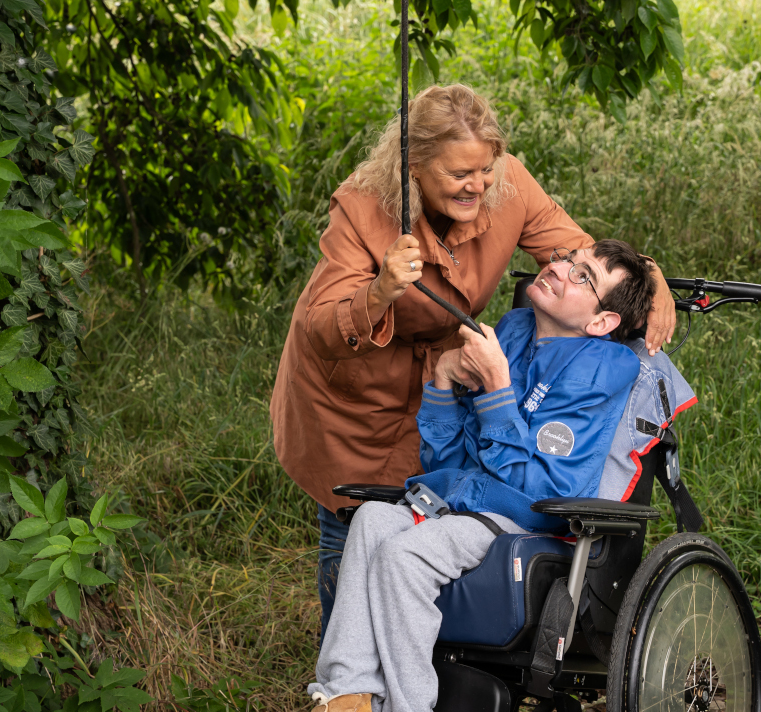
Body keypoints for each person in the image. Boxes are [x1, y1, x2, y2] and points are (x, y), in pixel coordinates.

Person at [269, 85, 676, 637]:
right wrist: (379, 291)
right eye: (461, 173)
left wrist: (651, 277)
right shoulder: (363, 208)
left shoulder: (503, 183)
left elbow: (582, 257)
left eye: (486, 168)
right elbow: (321, 324)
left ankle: (425, 669)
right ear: (413, 166)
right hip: (356, 395)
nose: (478, 184)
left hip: (450, 388)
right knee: (359, 527)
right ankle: (347, 675)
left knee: (424, 539)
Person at [306, 240, 653, 712]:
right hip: (460, 501)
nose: (559, 268)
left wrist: (496, 388)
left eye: (583, 276)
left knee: (403, 556)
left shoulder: (598, 373)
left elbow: (541, 490)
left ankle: (408, 706)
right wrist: (444, 384)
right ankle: (347, 694)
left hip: (525, 517)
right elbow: (446, 460)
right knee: (370, 520)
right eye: (567, 258)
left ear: (601, 323)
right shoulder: (510, 332)